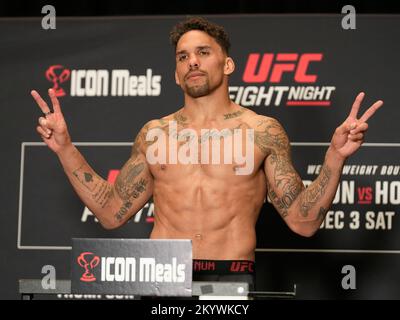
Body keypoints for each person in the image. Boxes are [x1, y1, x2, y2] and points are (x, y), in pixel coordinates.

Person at [31, 17, 383, 290]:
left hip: (230, 276)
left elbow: (302, 222)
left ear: (227, 64)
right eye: (183, 57)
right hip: (160, 272)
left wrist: (335, 158)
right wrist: (64, 148)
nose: (192, 62)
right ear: (175, 73)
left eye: (203, 52)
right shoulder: (155, 134)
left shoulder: (262, 131)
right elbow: (110, 212)